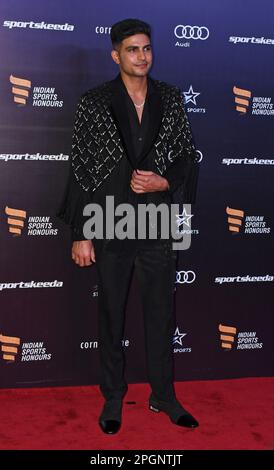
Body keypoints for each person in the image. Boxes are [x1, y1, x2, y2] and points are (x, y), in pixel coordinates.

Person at [58, 18, 199, 434]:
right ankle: (113, 397)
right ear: (115, 54)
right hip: (109, 219)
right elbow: (82, 169)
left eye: (147, 48)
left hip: (156, 221)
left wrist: (165, 181)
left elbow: (188, 156)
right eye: (133, 49)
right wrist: (81, 232)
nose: (142, 56)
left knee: (160, 314)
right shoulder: (95, 101)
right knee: (111, 314)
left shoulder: (170, 99)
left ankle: (164, 396)